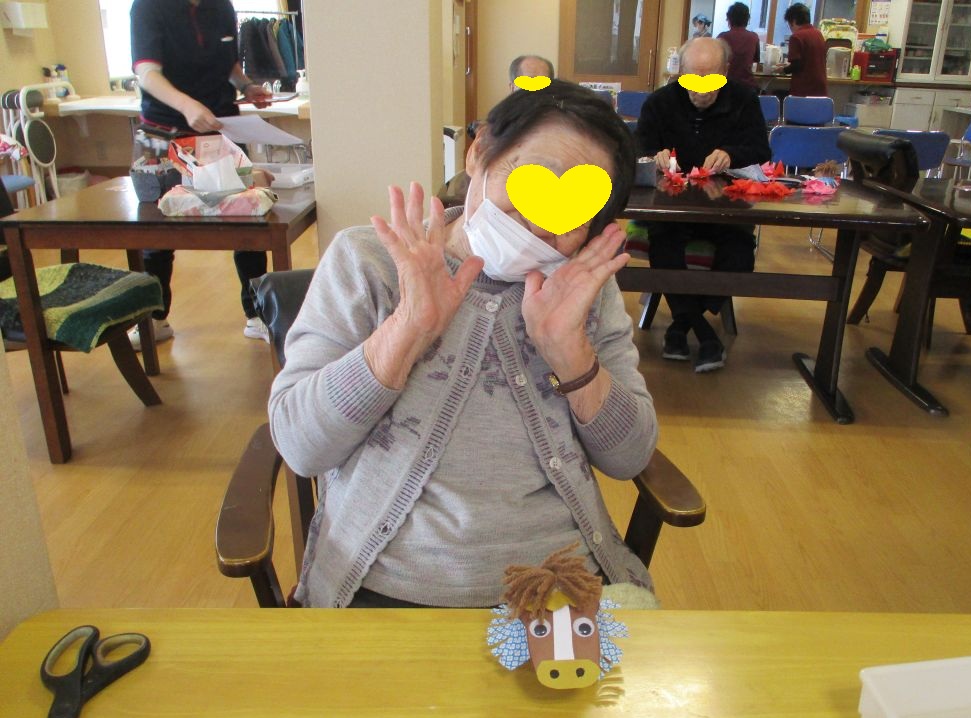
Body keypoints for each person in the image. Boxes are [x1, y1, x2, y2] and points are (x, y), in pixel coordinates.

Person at [269, 80, 658, 609]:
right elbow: (301, 445)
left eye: (575, 206)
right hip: (385, 584)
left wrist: (571, 354)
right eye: (530, 181)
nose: (542, 220)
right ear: (478, 153)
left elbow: (629, 457)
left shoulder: (586, 287)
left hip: (559, 582)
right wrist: (408, 328)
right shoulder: (368, 262)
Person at [129, 0, 275, 347]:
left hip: (220, 128)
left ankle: (257, 314)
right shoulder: (148, 7)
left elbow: (228, 64)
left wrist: (245, 86)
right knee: (157, 230)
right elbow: (147, 73)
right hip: (163, 133)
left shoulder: (221, 6)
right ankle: (154, 319)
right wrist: (186, 105)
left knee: (247, 221)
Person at [635, 37, 770, 370]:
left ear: (726, 71)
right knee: (664, 246)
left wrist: (732, 154)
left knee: (740, 254)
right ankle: (704, 332)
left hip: (726, 209)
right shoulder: (659, 103)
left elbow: (761, 150)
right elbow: (637, 149)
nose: (702, 88)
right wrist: (653, 156)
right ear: (680, 73)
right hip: (671, 209)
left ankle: (681, 324)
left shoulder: (744, 100)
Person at [776, 3, 828, 97]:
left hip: (804, 90)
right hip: (820, 89)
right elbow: (808, 61)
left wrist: (782, 70)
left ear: (793, 21)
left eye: (789, 25)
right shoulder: (818, 34)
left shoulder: (796, 37)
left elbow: (797, 66)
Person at [718, 2, 760, 90]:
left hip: (726, 86)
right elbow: (756, 60)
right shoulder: (754, 37)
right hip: (748, 86)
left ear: (729, 19)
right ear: (747, 19)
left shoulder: (722, 37)